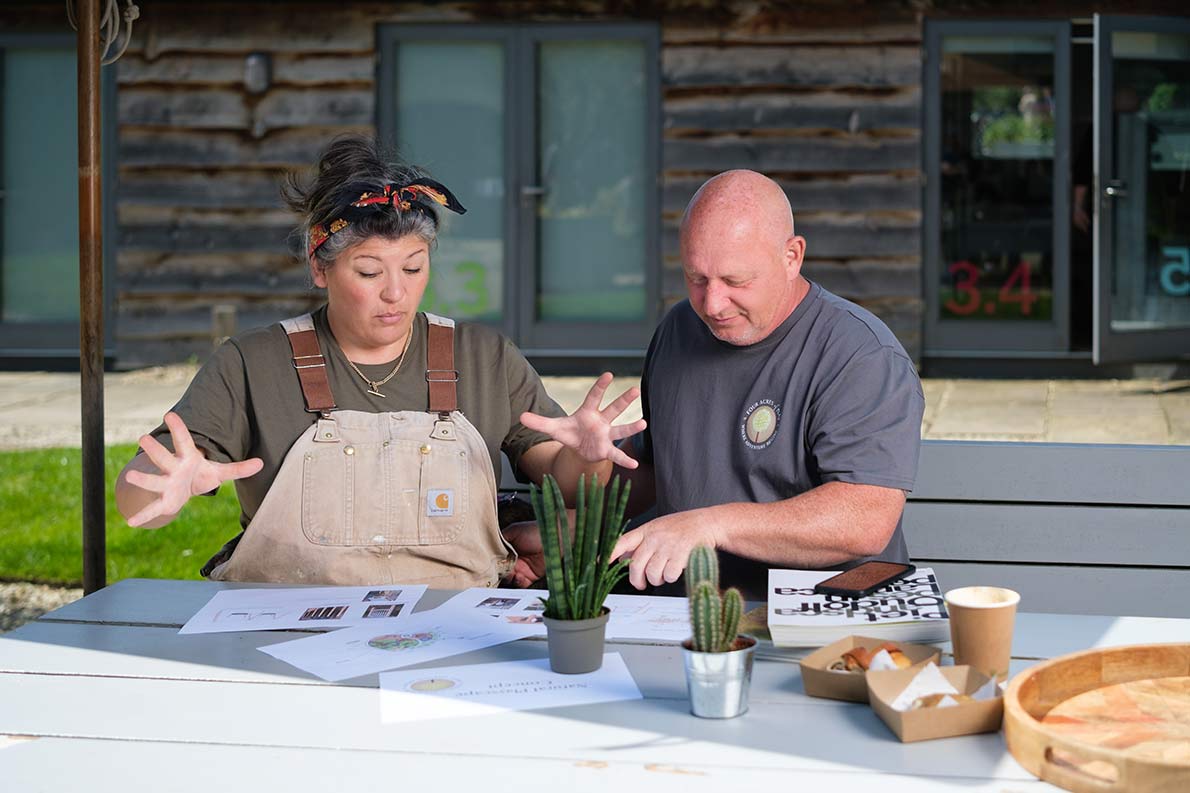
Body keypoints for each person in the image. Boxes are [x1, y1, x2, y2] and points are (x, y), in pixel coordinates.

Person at [115, 135, 643, 588]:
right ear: (320, 268)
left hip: (456, 625)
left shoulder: (483, 358)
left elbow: (569, 482)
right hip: (286, 626)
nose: (396, 293)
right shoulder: (252, 364)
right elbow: (138, 497)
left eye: (413, 268)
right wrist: (161, 486)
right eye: (369, 272)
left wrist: (590, 455)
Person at [600, 169, 925, 602]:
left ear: (792, 257)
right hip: (683, 613)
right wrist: (588, 461)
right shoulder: (677, 331)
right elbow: (658, 477)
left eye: (736, 282)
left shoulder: (860, 354)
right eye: (697, 279)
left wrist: (712, 525)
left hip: (826, 616)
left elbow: (864, 520)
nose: (712, 305)